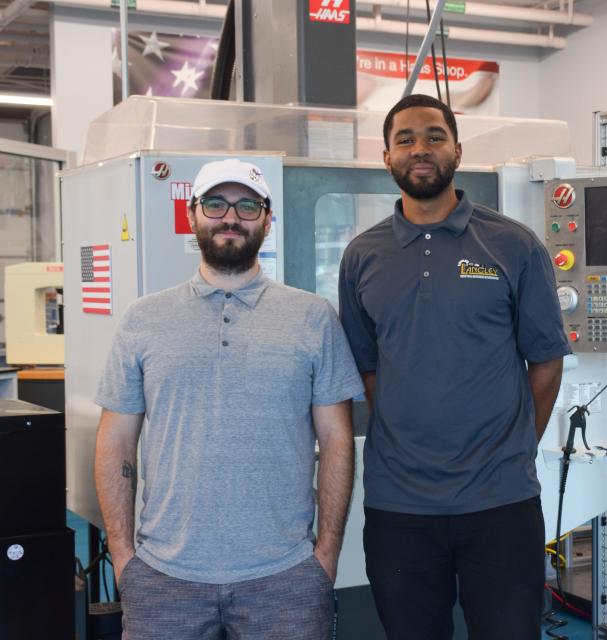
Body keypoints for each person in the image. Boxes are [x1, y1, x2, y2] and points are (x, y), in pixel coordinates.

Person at [94, 158, 363, 640]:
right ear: (193, 215)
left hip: (285, 580)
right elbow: (115, 441)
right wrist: (122, 557)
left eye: (247, 204)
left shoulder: (313, 318)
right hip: (163, 579)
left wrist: (325, 555)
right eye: (215, 203)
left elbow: (338, 441)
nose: (230, 216)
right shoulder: (144, 319)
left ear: (267, 217)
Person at [338, 94, 570, 639]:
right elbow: (368, 369)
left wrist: (513, 446)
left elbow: (547, 362)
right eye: (406, 139)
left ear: (458, 149)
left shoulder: (514, 246)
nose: (421, 148)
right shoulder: (362, 257)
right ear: (387, 156)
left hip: (501, 502)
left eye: (435, 136)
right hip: (400, 507)